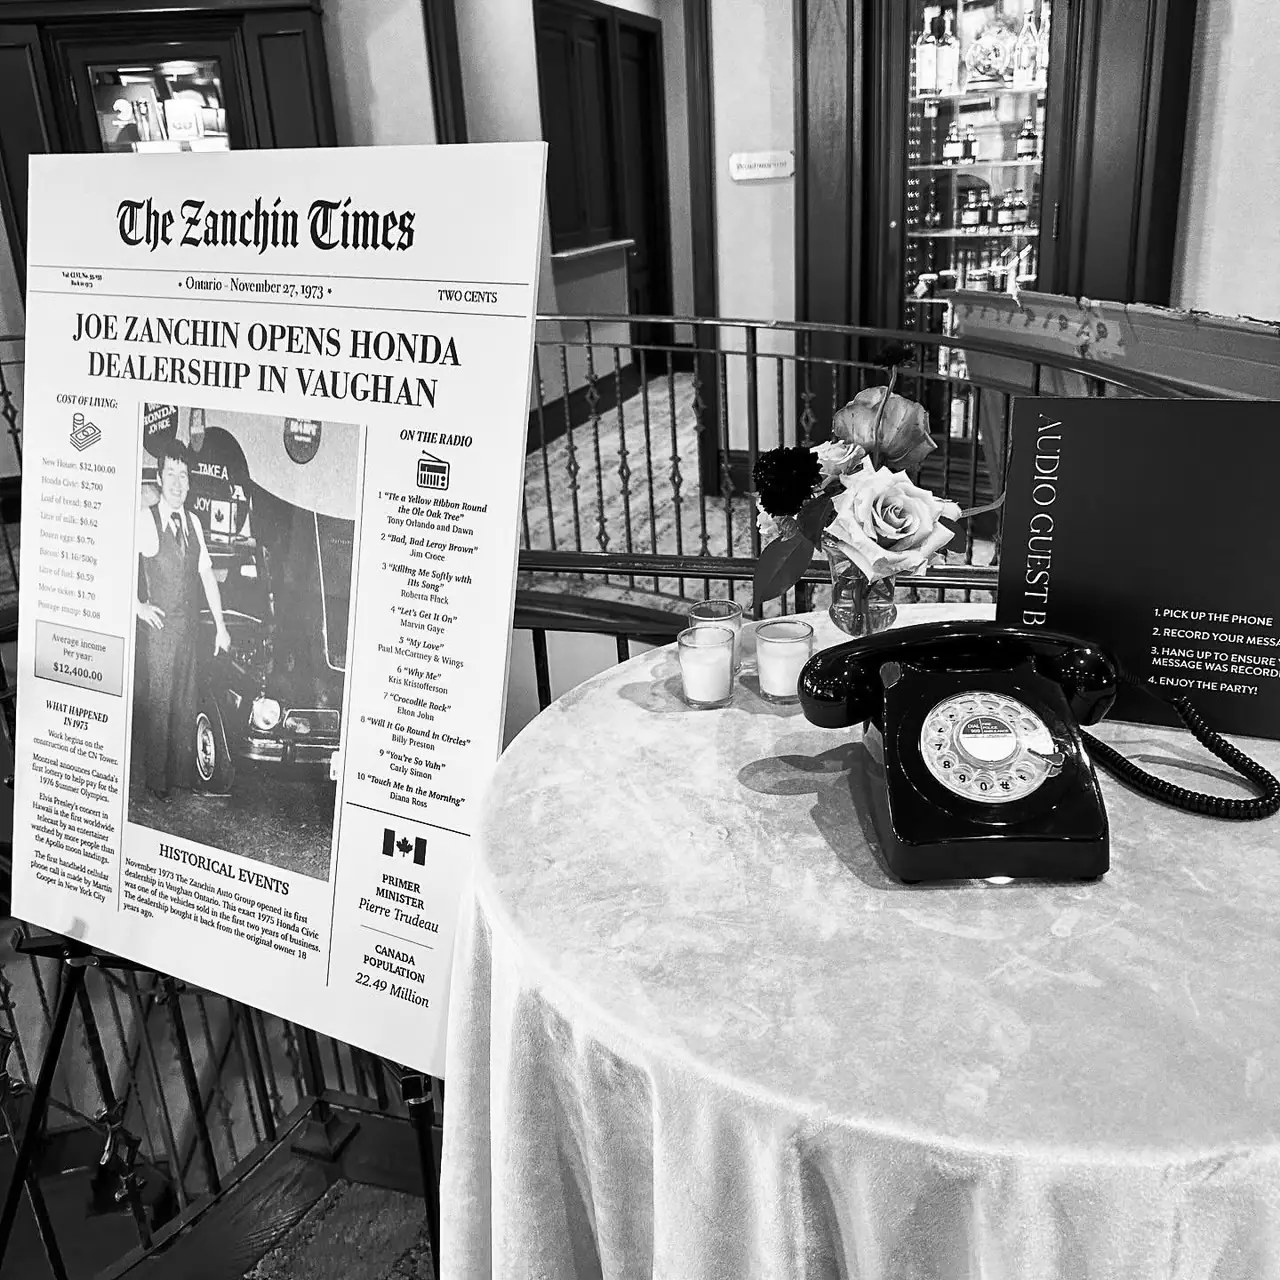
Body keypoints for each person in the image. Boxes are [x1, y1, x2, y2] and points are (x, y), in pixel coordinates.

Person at [135, 443, 230, 799]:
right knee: (160, 704)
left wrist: (221, 627)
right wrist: (138, 606)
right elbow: (115, 559)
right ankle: (157, 783)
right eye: (171, 474)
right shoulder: (147, 519)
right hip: (160, 632)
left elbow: (206, 576)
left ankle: (180, 779)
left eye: (184, 475)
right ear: (159, 479)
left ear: (190, 483)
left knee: (186, 703)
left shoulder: (193, 522)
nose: (178, 482)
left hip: (190, 631)